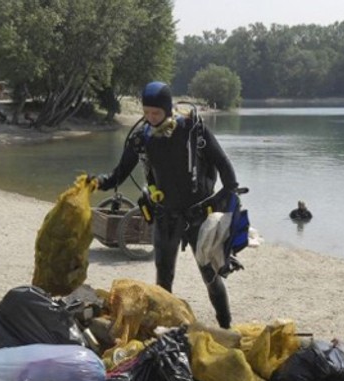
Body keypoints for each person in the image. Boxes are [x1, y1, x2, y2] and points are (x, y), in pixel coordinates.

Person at [94, 81, 239, 329]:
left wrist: (227, 202)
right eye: (146, 112)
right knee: (163, 281)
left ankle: (226, 326)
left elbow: (225, 167)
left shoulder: (193, 130)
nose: (150, 118)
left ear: (168, 109)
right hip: (166, 216)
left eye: (156, 113)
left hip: (199, 216)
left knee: (211, 277)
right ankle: (166, 330)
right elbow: (119, 174)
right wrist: (98, 182)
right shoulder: (141, 137)